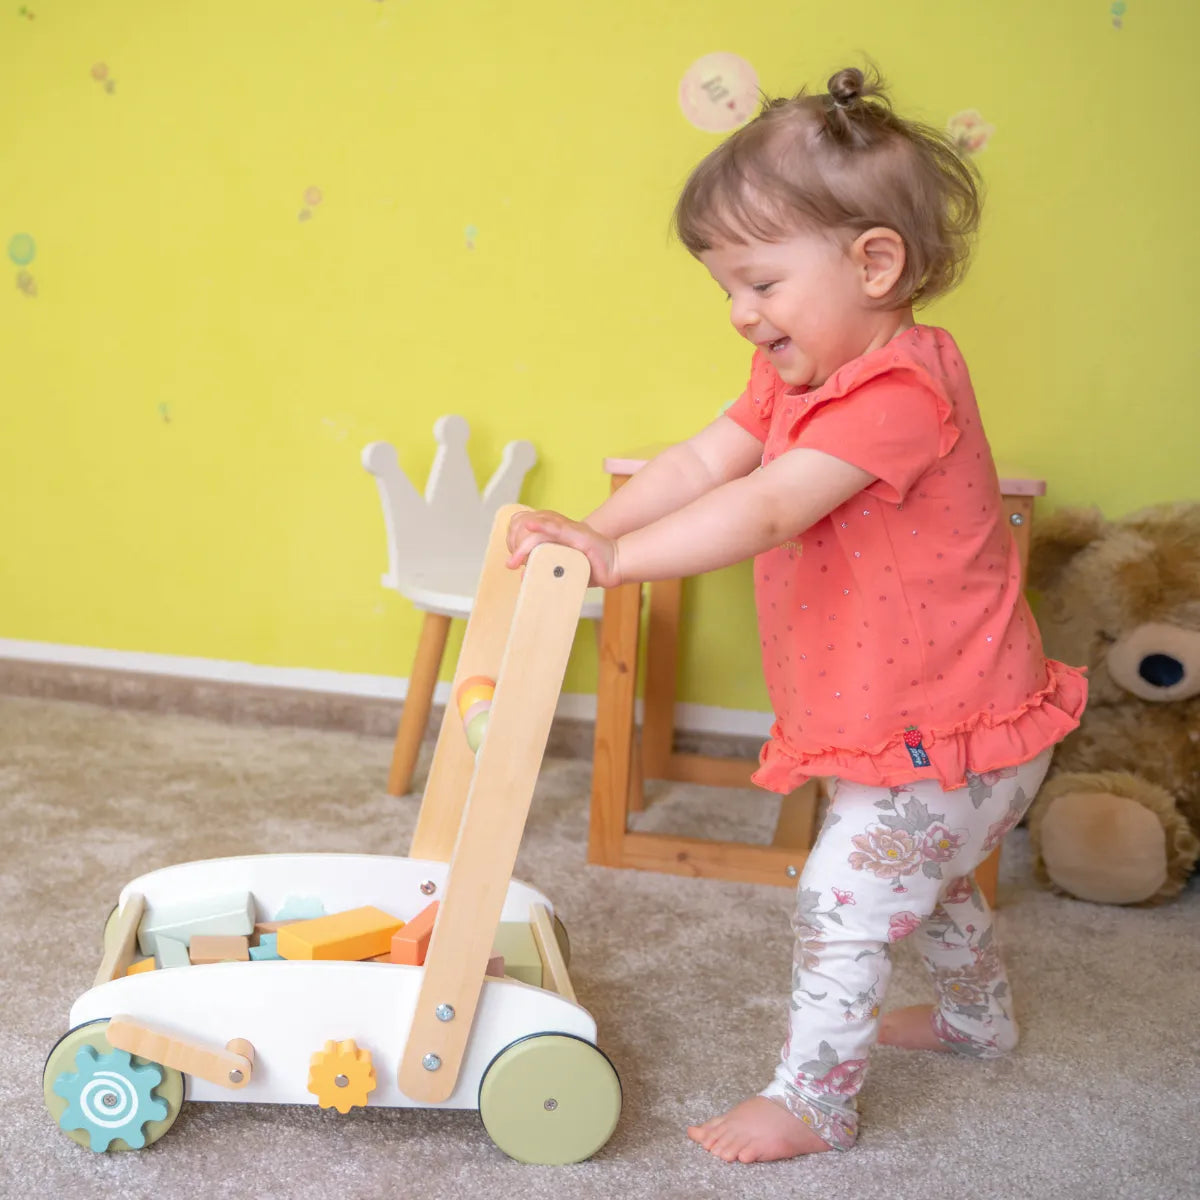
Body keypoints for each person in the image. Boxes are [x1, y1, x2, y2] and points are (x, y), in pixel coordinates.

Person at [505, 65, 1087, 1163]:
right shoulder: (799, 375)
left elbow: (769, 505)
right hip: (905, 721)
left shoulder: (904, 391)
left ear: (876, 263)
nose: (741, 313)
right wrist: (589, 536)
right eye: (728, 286)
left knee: (842, 897)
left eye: (762, 283)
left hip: (962, 730)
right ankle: (975, 1020)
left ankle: (815, 1099)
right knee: (941, 879)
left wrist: (619, 560)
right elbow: (701, 459)